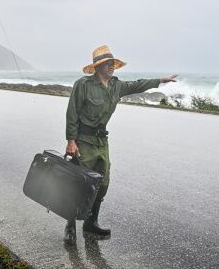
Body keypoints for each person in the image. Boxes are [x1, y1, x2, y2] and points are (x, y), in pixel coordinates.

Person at [64, 45, 177, 244]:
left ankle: (91, 222)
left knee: (102, 182)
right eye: (107, 64)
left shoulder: (117, 86)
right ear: (97, 67)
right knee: (80, 182)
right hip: (83, 139)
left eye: (112, 63)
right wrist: (71, 141)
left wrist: (160, 80)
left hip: (101, 141)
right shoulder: (83, 84)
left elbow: (137, 85)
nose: (111, 66)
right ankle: (70, 224)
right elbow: (72, 112)